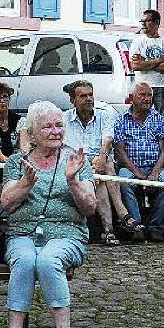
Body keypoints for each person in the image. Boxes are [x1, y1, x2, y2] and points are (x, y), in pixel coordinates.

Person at [1, 101, 96, 328]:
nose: (55, 131)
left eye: (58, 126)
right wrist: (24, 185)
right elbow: (6, 204)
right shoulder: (17, 163)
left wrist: (72, 180)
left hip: (67, 233)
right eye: (47, 126)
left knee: (48, 260)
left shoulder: (76, 161)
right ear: (32, 133)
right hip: (24, 233)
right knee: (25, 260)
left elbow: (89, 208)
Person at [62, 80, 131, 246]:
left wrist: (101, 158)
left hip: (100, 162)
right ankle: (121, 215)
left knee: (104, 166)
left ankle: (109, 230)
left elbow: (107, 140)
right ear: (73, 100)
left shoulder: (104, 115)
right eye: (83, 96)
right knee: (100, 171)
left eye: (90, 95)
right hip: (77, 166)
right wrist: (90, 166)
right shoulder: (64, 119)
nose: (88, 99)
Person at [113, 82, 164, 242]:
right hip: (131, 166)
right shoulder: (121, 121)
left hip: (156, 166)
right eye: (143, 95)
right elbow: (120, 152)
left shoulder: (159, 119)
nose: (147, 99)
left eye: (149, 95)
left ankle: (156, 227)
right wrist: (137, 173)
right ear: (132, 98)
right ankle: (136, 226)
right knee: (124, 181)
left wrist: (155, 172)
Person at [130, 9, 164, 117]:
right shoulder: (137, 42)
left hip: (163, 87)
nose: (143, 24)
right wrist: (159, 60)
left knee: (163, 121)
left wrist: (145, 63)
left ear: (156, 22)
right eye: (141, 21)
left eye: (146, 21)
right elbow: (135, 65)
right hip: (142, 87)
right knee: (141, 119)